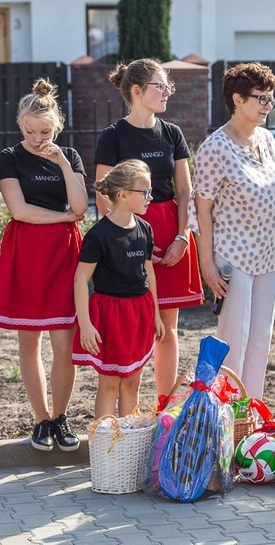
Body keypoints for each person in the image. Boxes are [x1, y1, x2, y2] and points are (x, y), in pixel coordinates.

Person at [0, 78, 89, 452]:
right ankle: (41, 420)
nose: (36, 137)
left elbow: (80, 207)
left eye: (44, 131)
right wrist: (62, 219)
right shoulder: (9, 157)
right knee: (28, 344)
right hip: (27, 252)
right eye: (29, 130)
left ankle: (60, 418)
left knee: (65, 345)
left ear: (57, 127)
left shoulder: (70, 157)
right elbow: (19, 210)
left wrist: (61, 161)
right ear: (20, 125)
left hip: (64, 257)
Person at [94, 59, 203, 408]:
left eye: (168, 85)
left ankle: (163, 406)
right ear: (137, 92)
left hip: (172, 231)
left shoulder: (173, 133)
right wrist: (130, 239)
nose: (167, 91)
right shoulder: (112, 136)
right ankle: (131, 409)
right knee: (136, 324)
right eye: (160, 85)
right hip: (129, 235)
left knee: (167, 327)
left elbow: (186, 191)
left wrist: (183, 235)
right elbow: (103, 195)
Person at [190, 62, 275, 399]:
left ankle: (252, 418)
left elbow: (274, 196)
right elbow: (200, 209)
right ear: (237, 99)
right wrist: (207, 264)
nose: (267, 105)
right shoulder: (214, 148)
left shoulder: (267, 139)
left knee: (262, 339)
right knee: (233, 342)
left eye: (270, 99)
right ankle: (226, 419)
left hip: (270, 255)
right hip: (234, 256)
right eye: (260, 98)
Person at [73, 159, 164, 418]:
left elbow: (149, 273)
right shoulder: (99, 235)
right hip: (111, 315)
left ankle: (126, 445)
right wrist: (86, 324)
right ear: (123, 195)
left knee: (133, 381)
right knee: (110, 383)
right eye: (144, 192)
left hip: (140, 313)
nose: (150, 197)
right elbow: (81, 280)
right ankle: (106, 448)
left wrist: (156, 314)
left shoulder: (145, 229)